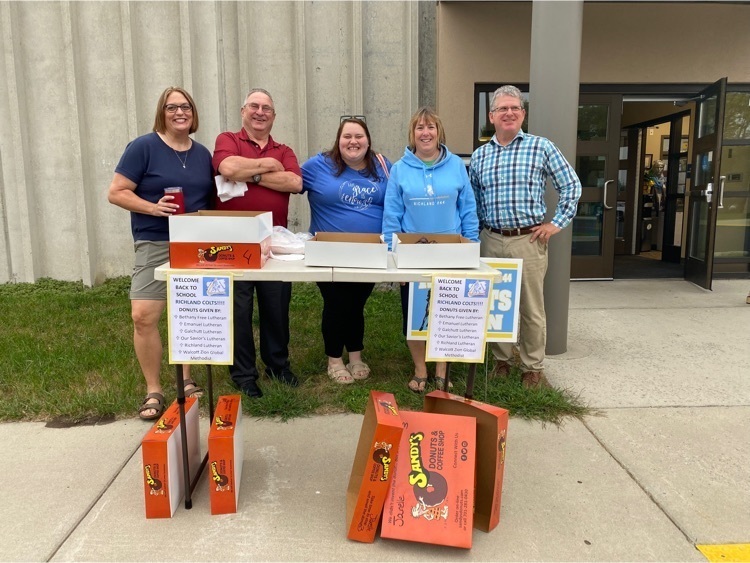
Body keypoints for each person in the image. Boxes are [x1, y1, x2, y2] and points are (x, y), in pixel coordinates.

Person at [108, 86, 214, 420]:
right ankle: (153, 388)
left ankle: (185, 379)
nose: (180, 113)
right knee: (144, 315)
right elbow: (116, 192)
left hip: (194, 244)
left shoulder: (202, 154)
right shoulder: (143, 147)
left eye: (185, 107)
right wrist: (153, 209)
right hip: (155, 241)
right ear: (162, 112)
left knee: (187, 313)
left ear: (193, 113)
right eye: (172, 108)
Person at [469, 85, 581, 389]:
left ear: (523, 114)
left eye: (514, 108)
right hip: (490, 239)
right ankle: (502, 361)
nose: (509, 113)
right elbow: (475, 201)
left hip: (527, 241)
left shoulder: (541, 147)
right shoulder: (479, 156)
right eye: (502, 109)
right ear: (492, 116)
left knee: (531, 308)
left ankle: (532, 366)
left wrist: (555, 224)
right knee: (495, 305)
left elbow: (571, 185)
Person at [213, 88, 303, 399]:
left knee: (276, 307)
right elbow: (228, 169)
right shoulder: (228, 141)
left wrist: (248, 174)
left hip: (274, 240)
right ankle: (244, 374)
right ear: (243, 111)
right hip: (234, 242)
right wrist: (267, 167)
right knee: (238, 309)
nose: (260, 112)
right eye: (254, 106)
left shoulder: (285, 149)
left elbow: (294, 182)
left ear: (274, 116)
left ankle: (278, 366)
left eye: (266, 108)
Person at [382, 107, 479, 393]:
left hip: (452, 253)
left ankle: (441, 370)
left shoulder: (457, 166)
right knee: (414, 315)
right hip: (413, 254)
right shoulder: (399, 169)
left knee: (446, 315)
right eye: (419, 128)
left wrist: (471, 248)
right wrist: (393, 257)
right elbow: (391, 216)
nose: (425, 133)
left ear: (439, 132)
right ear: (412, 135)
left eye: (431, 127)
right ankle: (420, 369)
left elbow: (469, 210)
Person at [301, 118, 390, 384]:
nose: (353, 141)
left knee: (356, 303)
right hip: (328, 251)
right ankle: (334, 359)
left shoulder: (384, 167)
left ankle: (355, 355)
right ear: (338, 141)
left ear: (368, 140)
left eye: (359, 136)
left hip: (370, 252)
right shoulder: (318, 165)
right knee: (337, 302)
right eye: (347, 136)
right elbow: (290, 183)